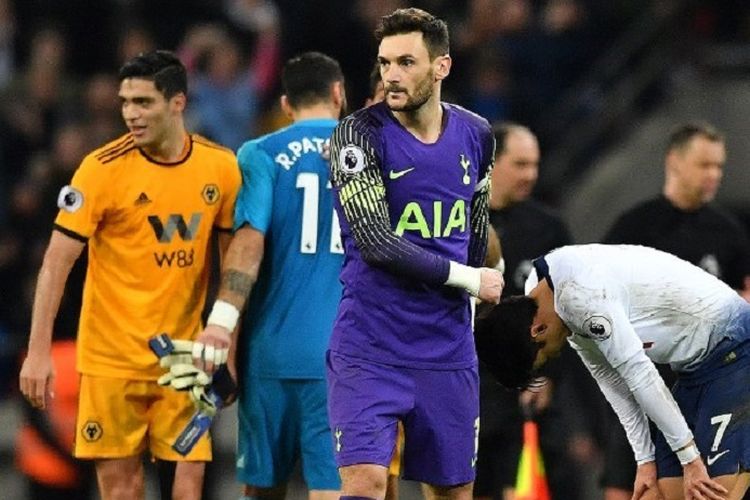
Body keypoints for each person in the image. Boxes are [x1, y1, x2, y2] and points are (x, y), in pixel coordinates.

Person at [18, 49, 241, 500]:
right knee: (122, 487)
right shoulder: (100, 170)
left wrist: (228, 350)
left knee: (190, 479)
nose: (130, 114)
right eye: (126, 102)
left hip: (182, 358)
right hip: (110, 361)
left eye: (143, 103)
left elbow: (233, 263)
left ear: (178, 103)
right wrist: (37, 350)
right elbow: (56, 262)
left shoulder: (220, 167)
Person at [326, 8, 504, 499]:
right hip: (370, 346)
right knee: (365, 482)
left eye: (406, 62)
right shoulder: (356, 135)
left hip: (446, 351)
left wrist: (485, 285)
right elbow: (377, 244)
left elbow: (475, 229)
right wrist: (472, 282)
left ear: (441, 67)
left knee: (453, 493)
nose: (391, 76)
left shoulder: (477, 135)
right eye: (385, 64)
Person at [476, 243, 750, 500]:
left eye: (546, 353)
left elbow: (640, 375)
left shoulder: (581, 297)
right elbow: (611, 380)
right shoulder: (542, 294)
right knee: (667, 491)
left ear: (537, 330)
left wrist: (690, 459)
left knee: (713, 491)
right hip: (693, 369)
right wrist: (645, 460)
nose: (556, 354)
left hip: (734, 346)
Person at [191, 51, 346, 500]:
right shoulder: (371, 156)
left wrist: (220, 324)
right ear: (339, 94)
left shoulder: (260, 153)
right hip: (342, 356)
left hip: (270, 354)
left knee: (261, 489)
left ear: (285, 103)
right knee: (333, 488)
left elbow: (248, 243)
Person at [602, 121, 750, 500]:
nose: (714, 175)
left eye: (719, 166)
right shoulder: (634, 229)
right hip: (644, 387)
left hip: (705, 392)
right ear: (674, 162)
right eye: (704, 165)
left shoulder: (727, 232)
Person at [477, 122, 590, 500]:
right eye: (521, 164)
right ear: (491, 163)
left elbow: (569, 311)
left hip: (527, 390)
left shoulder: (548, 229)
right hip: (470, 387)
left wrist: (548, 376)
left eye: (535, 165)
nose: (532, 175)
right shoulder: (458, 223)